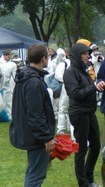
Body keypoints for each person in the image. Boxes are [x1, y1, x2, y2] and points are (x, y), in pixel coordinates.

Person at [9, 44, 56, 186]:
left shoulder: (26, 77)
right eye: (47, 55)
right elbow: (35, 113)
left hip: (30, 133)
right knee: (35, 175)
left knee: (33, 172)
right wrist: (46, 137)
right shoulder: (33, 81)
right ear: (43, 59)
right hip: (36, 136)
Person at [63, 43, 101, 187]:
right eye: (85, 53)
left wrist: (97, 88)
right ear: (78, 55)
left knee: (96, 146)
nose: (88, 56)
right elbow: (75, 94)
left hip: (89, 112)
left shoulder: (84, 71)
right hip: (79, 113)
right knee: (81, 148)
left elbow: (88, 89)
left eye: (88, 53)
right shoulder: (70, 72)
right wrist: (93, 88)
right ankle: (83, 182)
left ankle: (88, 176)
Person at [54, 48, 73, 137]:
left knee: (71, 108)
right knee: (62, 108)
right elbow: (58, 75)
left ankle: (70, 127)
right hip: (65, 88)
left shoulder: (77, 64)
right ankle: (61, 128)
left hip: (74, 88)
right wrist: (68, 80)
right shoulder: (63, 64)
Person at [0, 49, 17, 118]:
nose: (9, 57)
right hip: (1, 84)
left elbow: (14, 75)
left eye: (10, 56)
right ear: (4, 55)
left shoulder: (12, 64)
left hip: (8, 85)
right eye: (7, 56)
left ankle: (9, 115)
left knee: (8, 101)